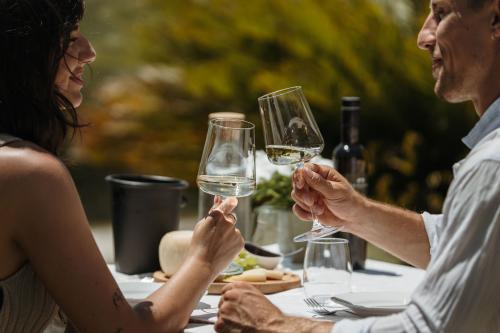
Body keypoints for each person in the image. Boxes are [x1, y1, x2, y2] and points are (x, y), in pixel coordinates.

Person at [216, 0, 500, 332]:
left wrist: (276, 325)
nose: (423, 37)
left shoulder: (491, 165)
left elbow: (432, 328)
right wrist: (355, 213)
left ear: (496, 18)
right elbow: (456, 245)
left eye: (439, 14)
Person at [0, 1, 244, 332]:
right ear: (22, 54)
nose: (90, 52)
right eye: (69, 38)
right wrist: (205, 259)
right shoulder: (29, 175)